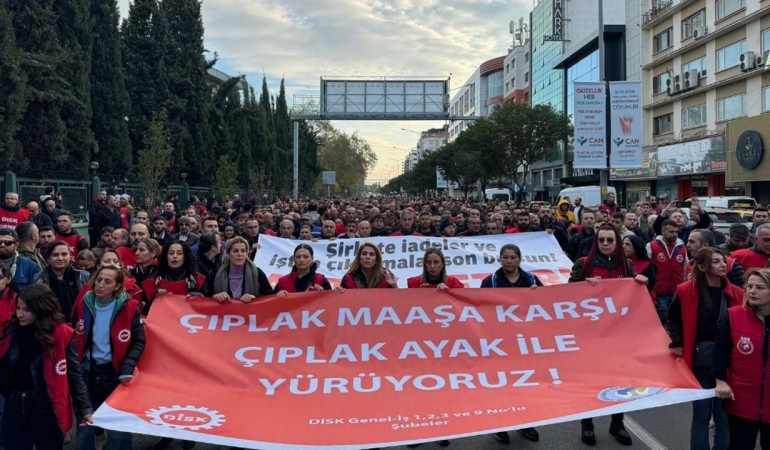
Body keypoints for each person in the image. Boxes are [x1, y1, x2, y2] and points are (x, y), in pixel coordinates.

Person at [569, 223, 648, 446]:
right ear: (596, 242)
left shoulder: (627, 264)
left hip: (619, 335)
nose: (605, 244)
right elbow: (567, 295)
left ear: (617, 243)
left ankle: (617, 423)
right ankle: (587, 424)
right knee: (590, 381)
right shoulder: (583, 264)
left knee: (620, 381)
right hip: (590, 335)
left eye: (610, 240)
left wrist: (641, 282)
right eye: (601, 240)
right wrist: (583, 286)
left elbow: (635, 295)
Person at [667, 248, 743, 450]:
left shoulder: (737, 292)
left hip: (729, 363)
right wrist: (677, 342)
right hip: (700, 361)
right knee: (701, 416)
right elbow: (672, 319)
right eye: (716, 261)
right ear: (701, 267)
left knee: (724, 418)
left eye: (723, 261)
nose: (723, 265)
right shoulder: (685, 290)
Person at [0, 285, 93, 450]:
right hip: (14, 403)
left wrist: (85, 408)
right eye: (18, 308)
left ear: (41, 309)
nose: (19, 314)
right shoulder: (11, 330)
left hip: (46, 407)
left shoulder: (62, 334)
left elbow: (74, 374)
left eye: (26, 310)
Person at [72, 265, 145, 450]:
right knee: (86, 423)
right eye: (99, 279)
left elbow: (139, 341)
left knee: (119, 427)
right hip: (89, 371)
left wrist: (127, 368)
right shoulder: (84, 302)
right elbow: (75, 333)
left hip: (116, 373)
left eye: (107, 281)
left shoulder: (129, 307)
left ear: (117, 285)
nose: (101, 285)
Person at [713, 268, 770, 449]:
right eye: (749, 286)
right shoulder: (733, 316)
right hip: (742, 402)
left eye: (760, 287)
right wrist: (720, 381)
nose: (752, 291)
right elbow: (720, 352)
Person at [140, 241, 205, 308]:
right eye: (171, 253)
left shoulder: (196, 279)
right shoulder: (154, 279)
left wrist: (197, 296)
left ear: (185, 257)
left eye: (179, 253)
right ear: (166, 256)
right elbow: (145, 306)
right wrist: (155, 295)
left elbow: (206, 303)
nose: (175, 256)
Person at [37, 241, 90, 323]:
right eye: (55, 255)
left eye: (64, 254)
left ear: (70, 256)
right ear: (48, 259)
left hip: (79, 324)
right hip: (51, 325)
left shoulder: (84, 276)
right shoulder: (38, 279)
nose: (60, 258)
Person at [646, 219, 688, 322]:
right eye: (671, 232)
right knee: (661, 320)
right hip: (659, 292)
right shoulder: (651, 246)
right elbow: (647, 269)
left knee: (676, 320)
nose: (674, 234)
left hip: (676, 292)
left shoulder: (682, 248)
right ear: (663, 231)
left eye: (676, 232)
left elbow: (685, 269)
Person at [211, 237, 272, 303]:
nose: (239, 254)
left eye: (243, 251)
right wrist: (215, 297)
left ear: (247, 254)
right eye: (235, 251)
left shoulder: (258, 273)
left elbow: (271, 297)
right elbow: (207, 297)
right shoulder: (217, 274)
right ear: (228, 254)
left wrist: (255, 298)